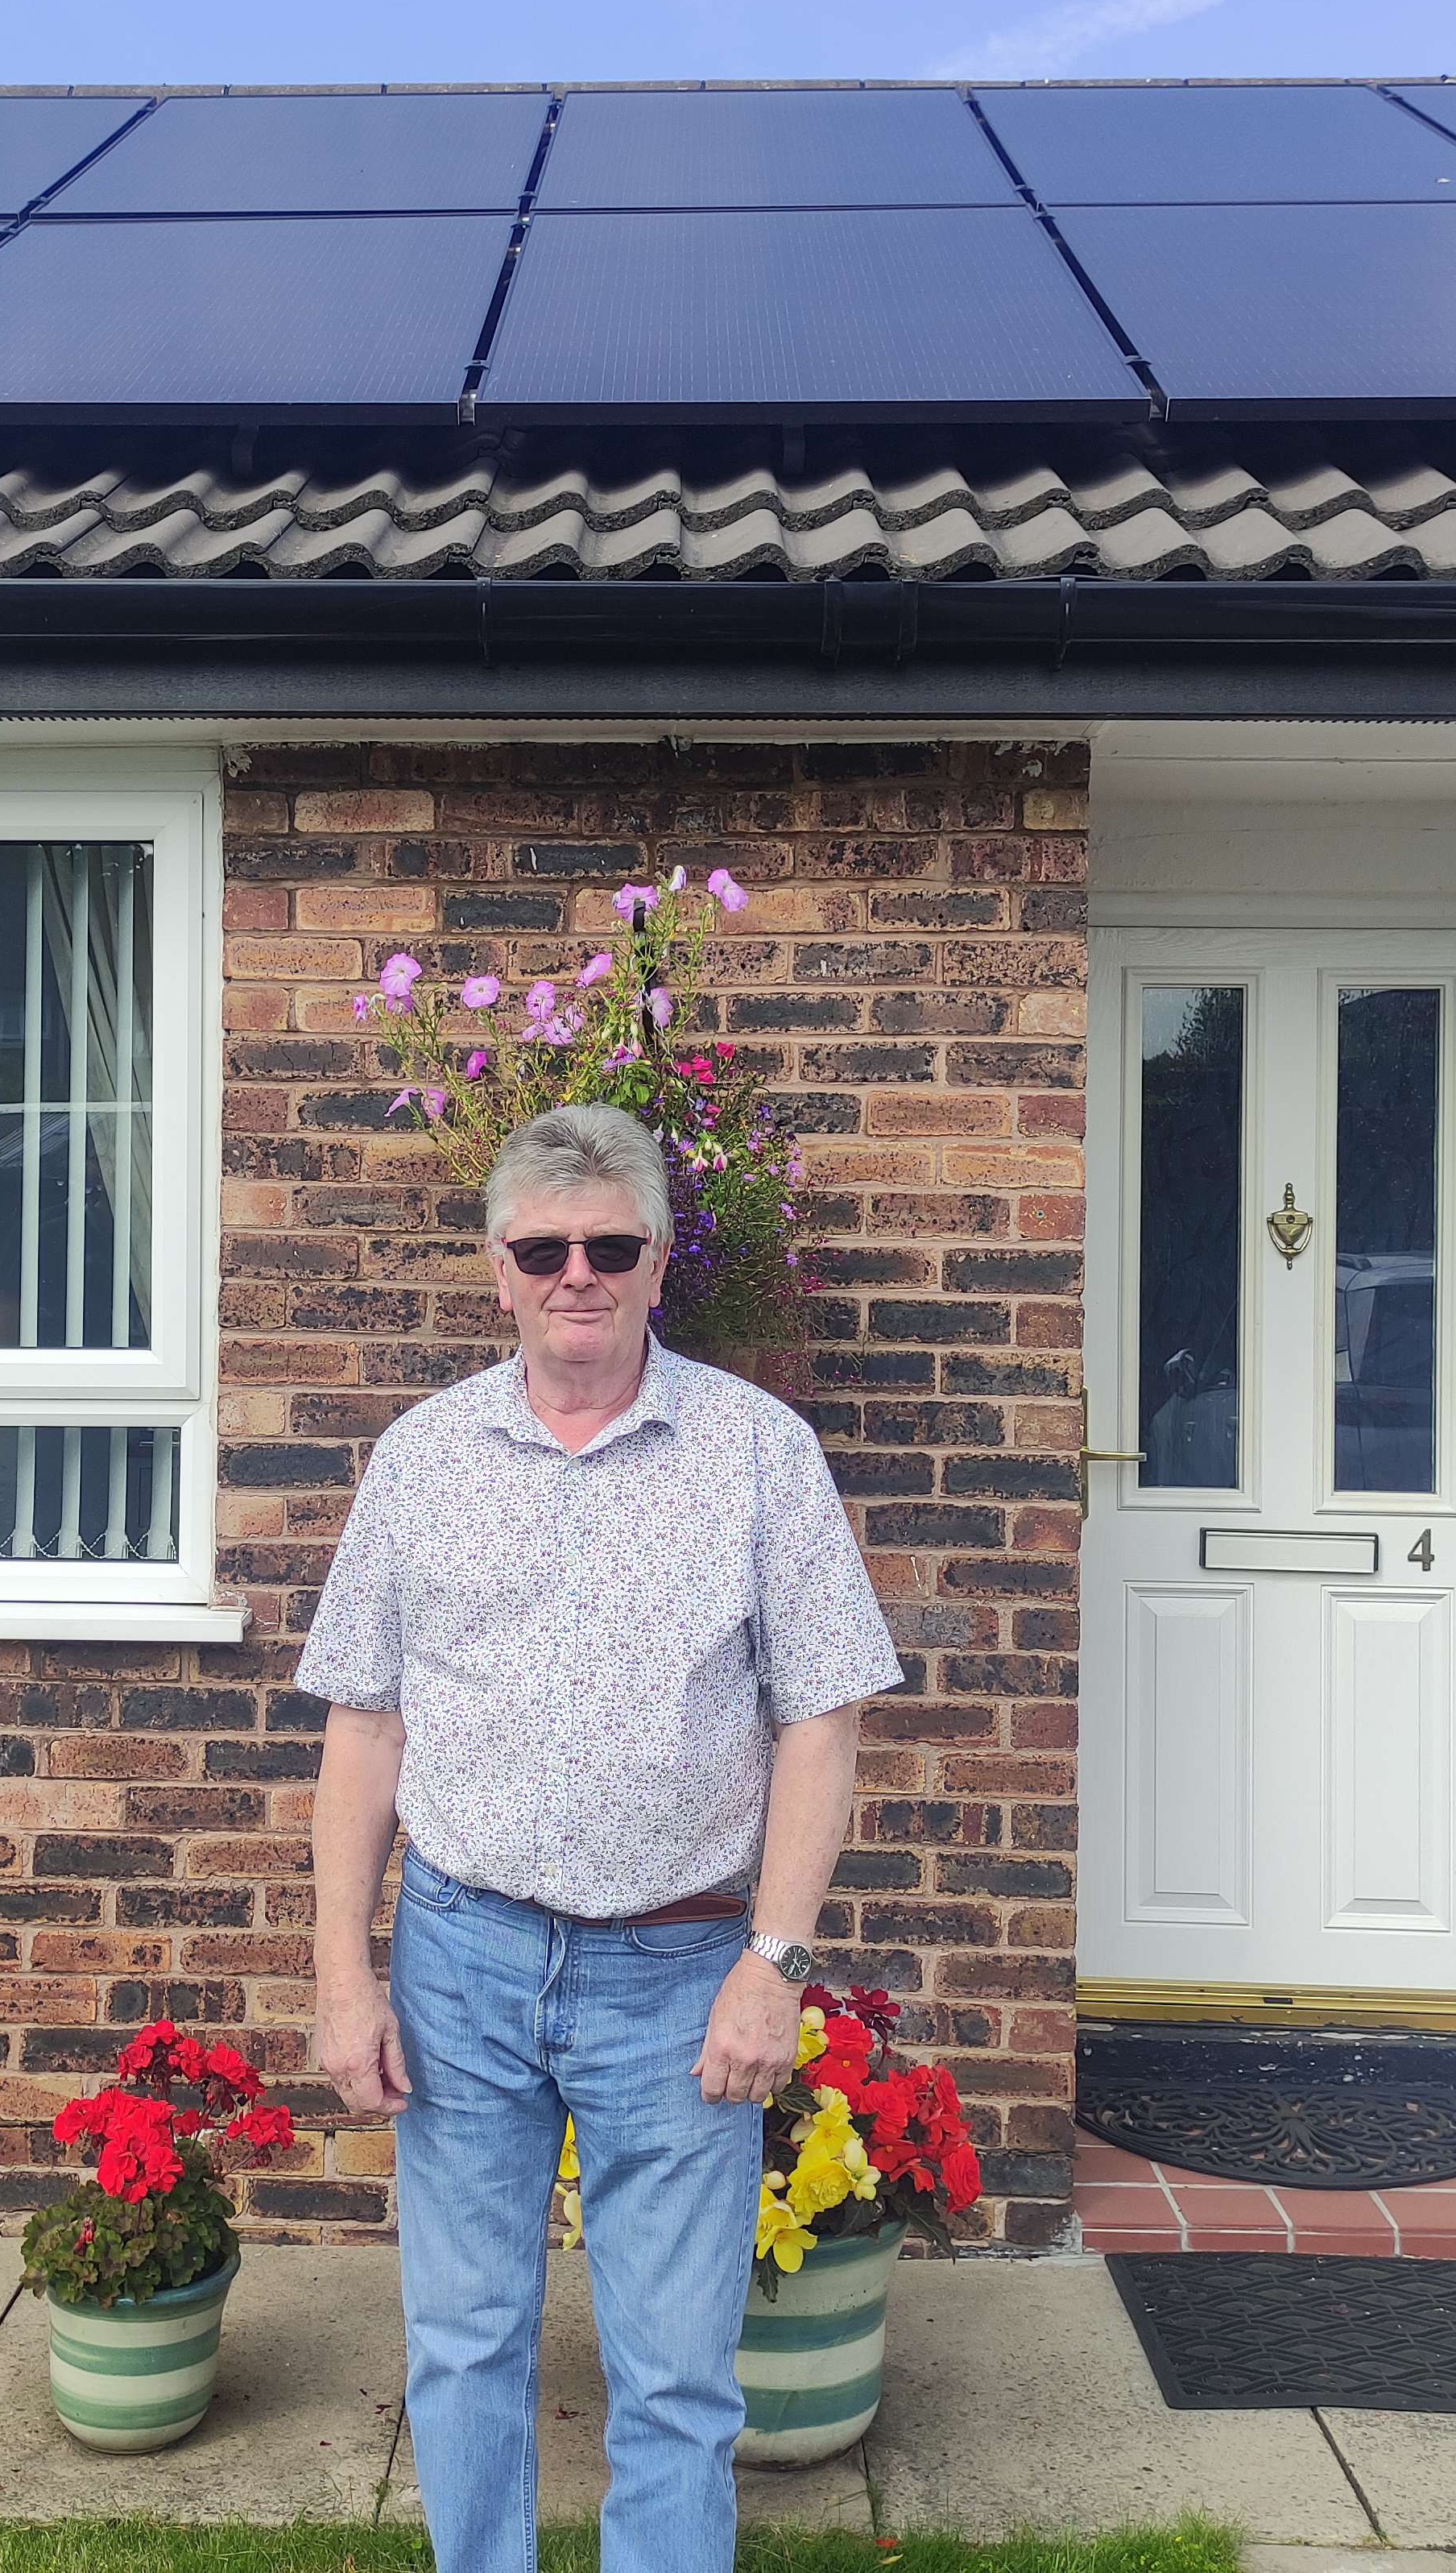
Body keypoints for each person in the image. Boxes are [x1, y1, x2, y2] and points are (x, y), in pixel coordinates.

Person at [300, 1101, 900, 2573]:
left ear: (657, 1260)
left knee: (678, 2381)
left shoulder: (759, 1455)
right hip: (462, 1957)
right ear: (499, 1268)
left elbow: (822, 1722)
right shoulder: (423, 1458)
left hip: (677, 1973)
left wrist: (776, 1964)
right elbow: (364, 1726)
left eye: (611, 1243)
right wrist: (342, 1977)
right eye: (546, 1245)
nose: (580, 1270)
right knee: (461, 2344)